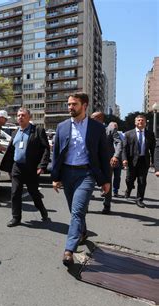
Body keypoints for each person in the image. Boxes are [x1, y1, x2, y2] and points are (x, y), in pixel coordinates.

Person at [51, 92, 110, 267]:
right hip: (68, 174)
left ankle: (69, 250)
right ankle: (82, 232)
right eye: (68, 104)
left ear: (84, 106)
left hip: (86, 174)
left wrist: (106, 180)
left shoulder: (97, 128)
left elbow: (103, 155)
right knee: (75, 210)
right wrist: (55, 177)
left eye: (74, 104)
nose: (70, 107)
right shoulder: (62, 127)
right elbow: (56, 153)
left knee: (77, 211)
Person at [0, 108, 50, 227]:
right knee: (15, 192)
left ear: (29, 117)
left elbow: (45, 149)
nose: (20, 117)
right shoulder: (15, 132)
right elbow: (12, 150)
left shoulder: (37, 130)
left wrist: (42, 165)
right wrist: (9, 167)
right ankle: (16, 218)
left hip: (31, 168)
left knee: (34, 193)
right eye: (18, 115)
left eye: (23, 115)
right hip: (17, 167)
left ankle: (43, 210)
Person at [90, 113, 123, 214]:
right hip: (91, 162)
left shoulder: (110, 129)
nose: (90, 120)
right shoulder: (88, 129)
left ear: (99, 118)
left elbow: (118, 142)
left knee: (107, 182)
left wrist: (115, 156)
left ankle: (107, 206)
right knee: (89, 182)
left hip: (106, 162)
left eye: (92, 118)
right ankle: (85, 206)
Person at [122, 114, 156, 208]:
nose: (140, 122)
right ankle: (128, 189)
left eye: (142, 120)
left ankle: (139, 199)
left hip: (144, 161)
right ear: (135, 122)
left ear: (145, 122)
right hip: (131, 161)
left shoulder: (150, 134)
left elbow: (153, 149)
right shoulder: (128, 134)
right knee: (129, 179)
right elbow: (124, 148)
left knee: (142, 181)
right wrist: (124, 159)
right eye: (139, 120)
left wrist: (154, 162)